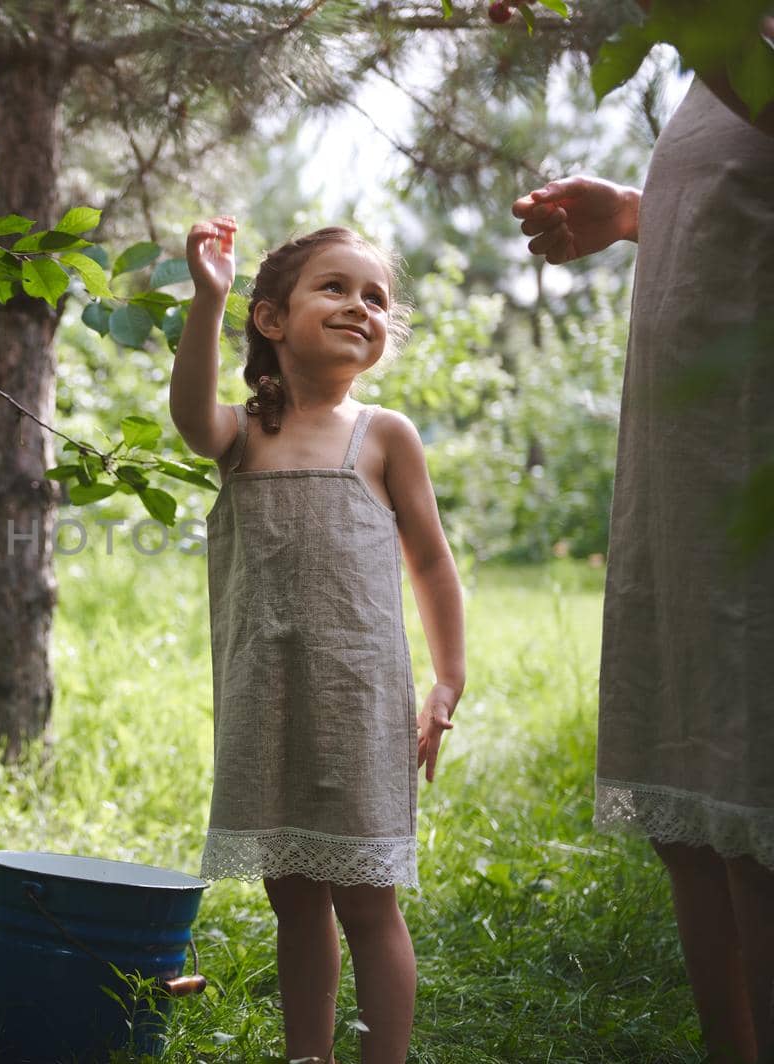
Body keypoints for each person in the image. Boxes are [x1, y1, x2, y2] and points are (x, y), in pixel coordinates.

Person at [512, 68, 774, 1064]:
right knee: (690, 806)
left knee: (754, 813)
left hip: (752, 474)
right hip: (684, 478)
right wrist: (633, 212)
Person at [168, 220, 466, 1064]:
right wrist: (208, 299)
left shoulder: (384, 436)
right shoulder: (239, 434)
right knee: (292, 897)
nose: (360, 307)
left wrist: (448, 679)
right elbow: (189, 415)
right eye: (334, 288)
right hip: (265, 702)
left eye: (376, 297)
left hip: (361, 703)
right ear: (271, 319)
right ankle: (309, 1058)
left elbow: (434, 563)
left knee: (367, 903)